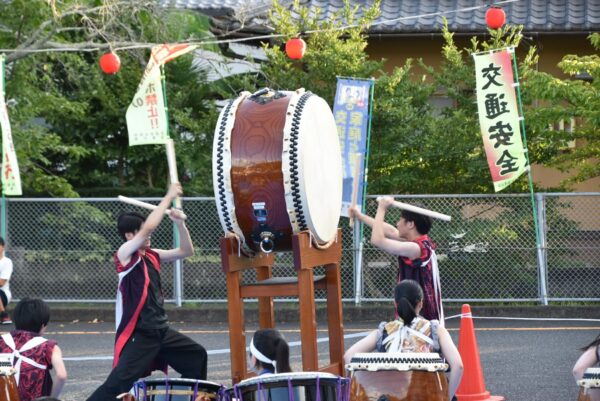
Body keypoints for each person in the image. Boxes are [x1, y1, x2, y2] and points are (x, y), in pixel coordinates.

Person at [86, 183, 207, 401]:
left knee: (196, 357)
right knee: (119, 384)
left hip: (161, 330)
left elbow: (186, 251)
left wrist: (180, 224)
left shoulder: (151, 254)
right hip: (140, 334)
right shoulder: (124, 255)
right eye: (141, 231)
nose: (148, 235)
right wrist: (168, 196)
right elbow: (149, 228)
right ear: (129, 235)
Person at [344, 280, 463, 401]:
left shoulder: (384, 331)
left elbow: (349, 356)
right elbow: (458, 366)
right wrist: (446, 397)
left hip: (391, 396)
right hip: (427, 396)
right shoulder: (435, 330)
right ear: (421, 303)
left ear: (395, 304)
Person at [349, 196, 443, 321]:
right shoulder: (421, 241)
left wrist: (381, 208)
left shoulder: (415, 248)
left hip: (419, 313)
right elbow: (391, 231)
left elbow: (377, 240)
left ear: (410, 224)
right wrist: (360, 216)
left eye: (400, 220)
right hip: (415, 306)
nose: (397, 224)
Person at [0, 298, 67, 401]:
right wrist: (52, 398)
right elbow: (61, 375)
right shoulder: (47, 346)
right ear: (43, 325)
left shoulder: (2, 341)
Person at [0, 236, 13, 324]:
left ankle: (3, 315)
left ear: (3, 247)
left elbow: (1, 283)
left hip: (3, 294)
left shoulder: (7, 262)